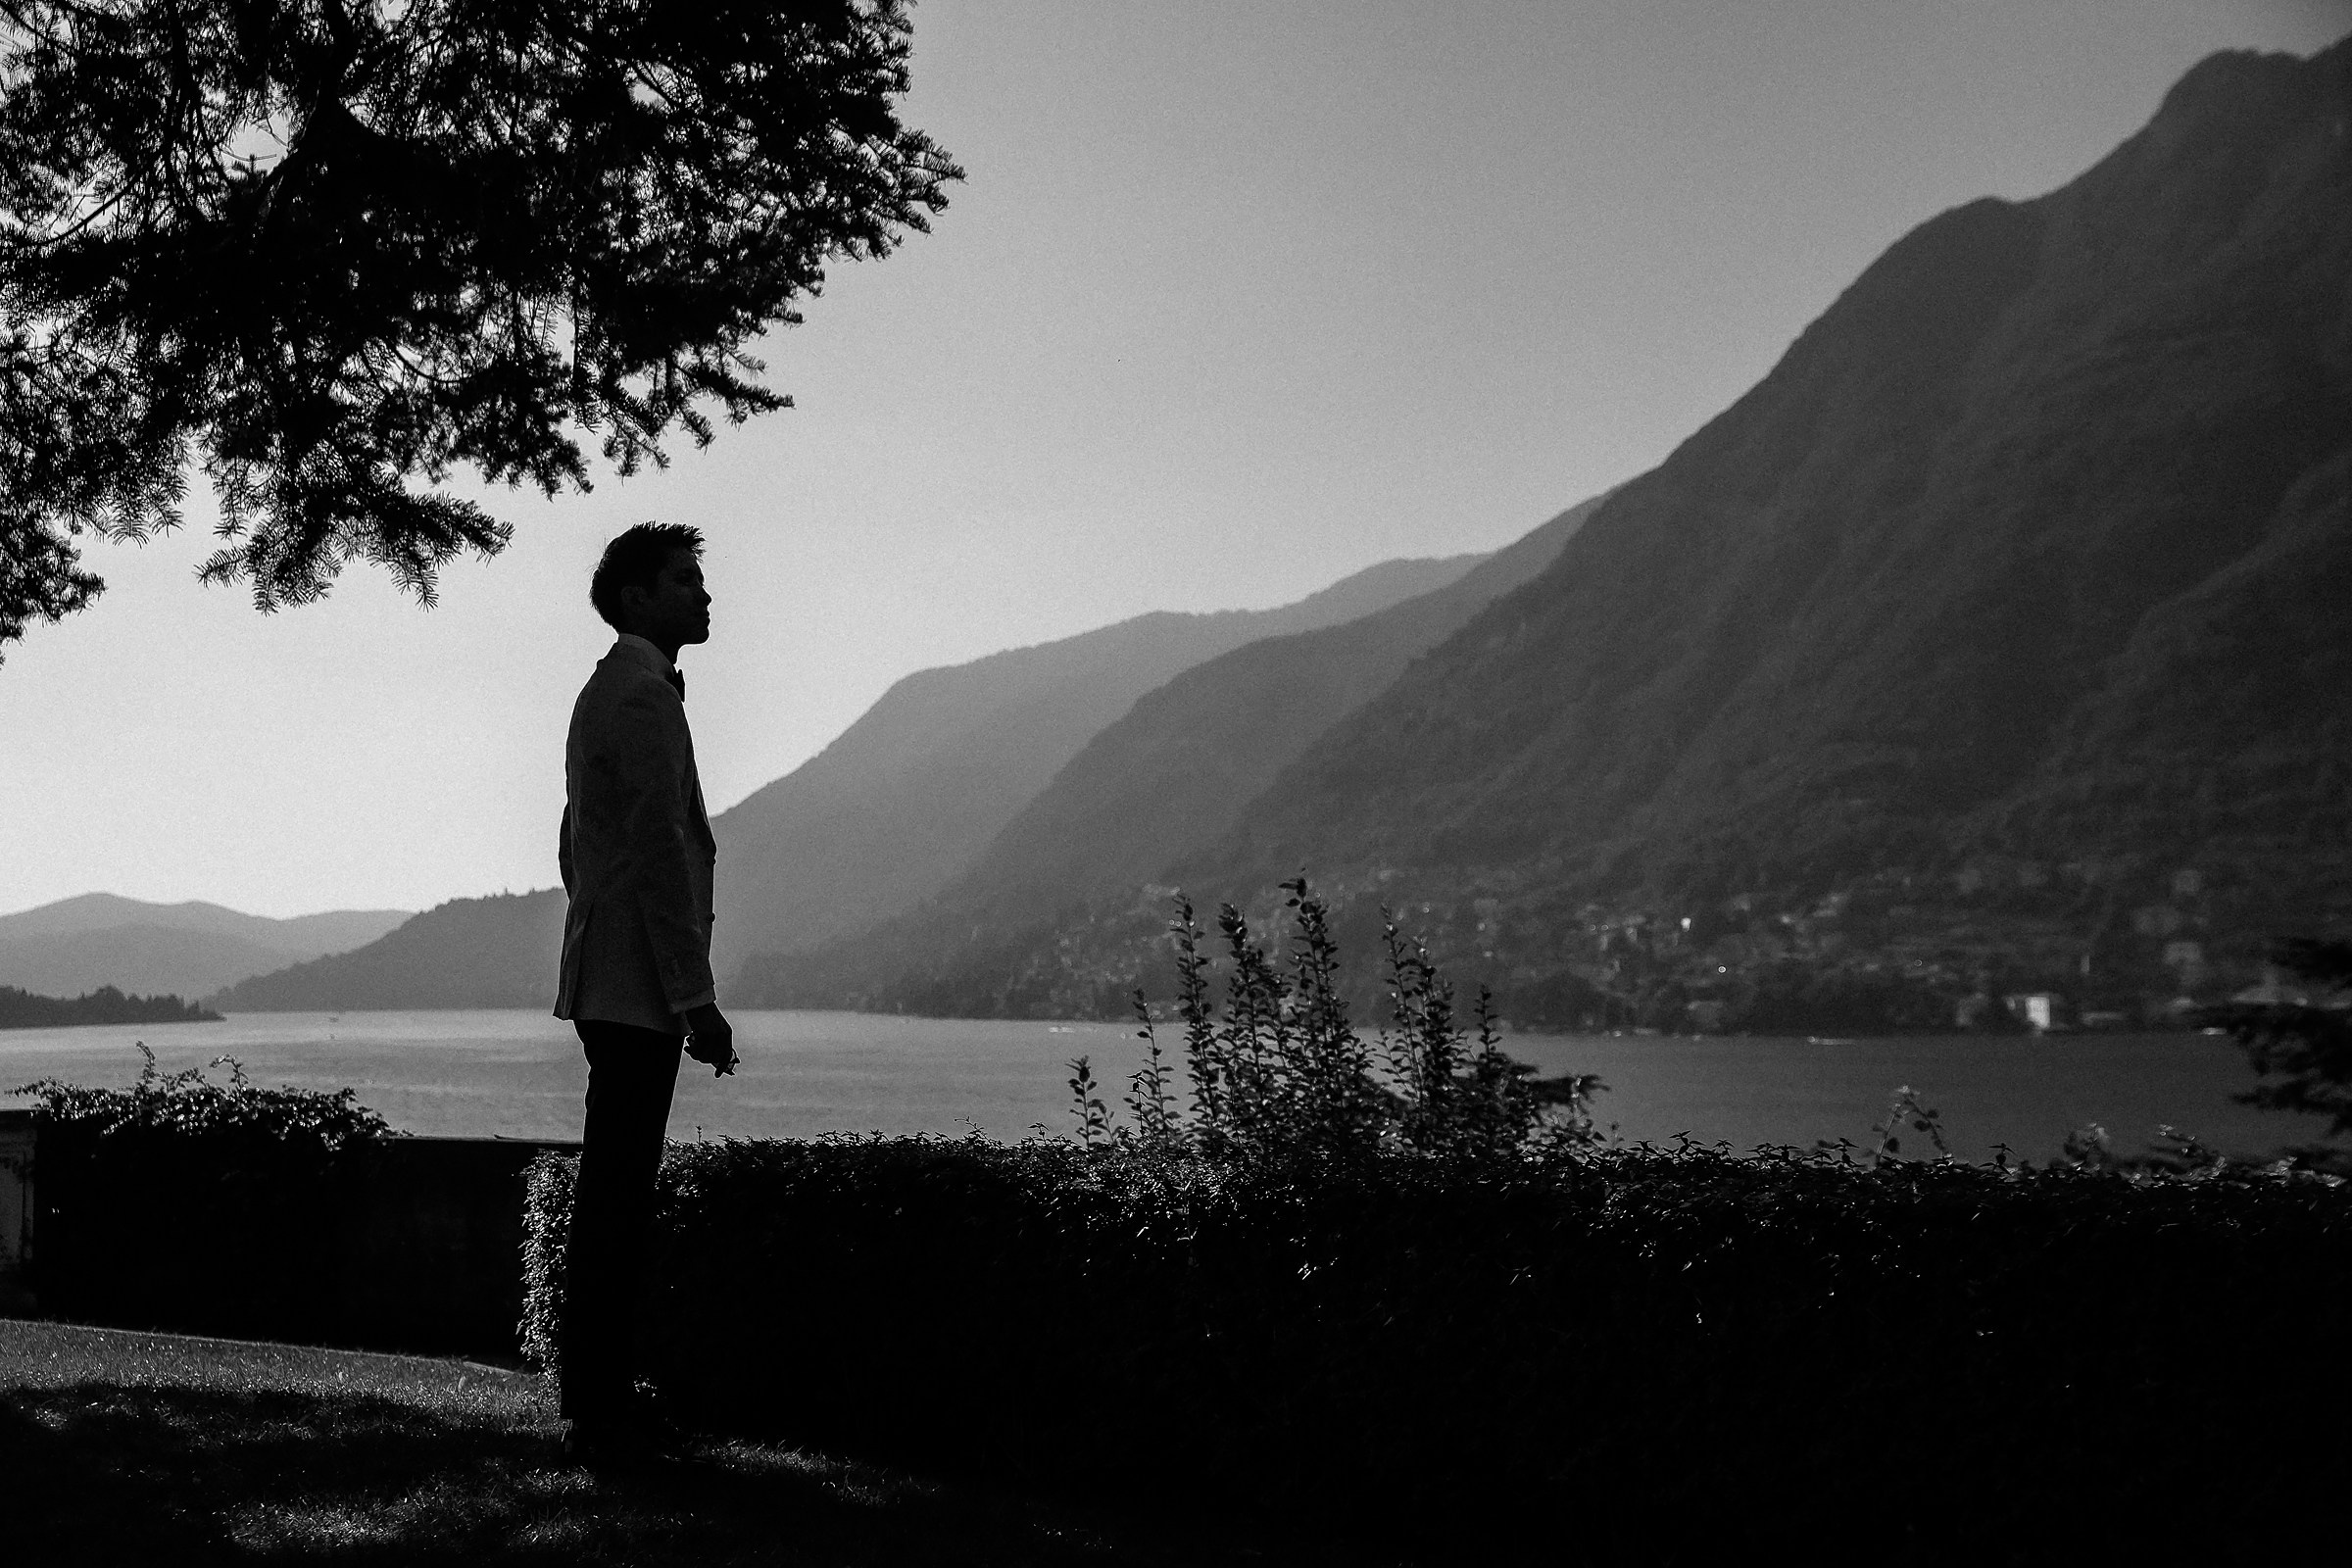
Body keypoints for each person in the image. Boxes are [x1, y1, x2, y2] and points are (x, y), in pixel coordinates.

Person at [554, 521, 738, 1460]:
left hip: (611, 979)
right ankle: (601, 1402)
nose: (704, 596)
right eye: (683, 580)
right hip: (637, 991)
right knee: (620, 1199)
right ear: (635, 598)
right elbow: (665, 853)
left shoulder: (610, 690)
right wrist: (693, 998)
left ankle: (596, 1392)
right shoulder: (640, 696)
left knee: (612, 1192)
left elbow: (574, 844)